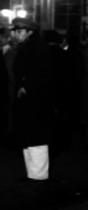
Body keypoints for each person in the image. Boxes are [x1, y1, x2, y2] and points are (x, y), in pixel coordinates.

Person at [11, 18, 53, 181]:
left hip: (37, 101)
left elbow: (44, 74)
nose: (16, 34)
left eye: (19, 31)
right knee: (28, 136)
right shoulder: (27, 47)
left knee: (36, 136)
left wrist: (26, 85)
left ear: (30, 32)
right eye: (15, 31)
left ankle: (39, 174)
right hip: (29, 99)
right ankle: (32, 172)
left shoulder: (38, 48)